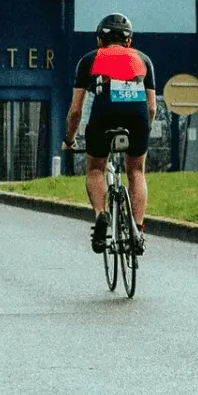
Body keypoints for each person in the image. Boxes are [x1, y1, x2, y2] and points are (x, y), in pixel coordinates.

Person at [64, 13, 158, 253]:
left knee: (96, 169)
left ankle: (101, 215)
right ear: (129, 41)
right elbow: (152, 107)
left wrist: (70, 139)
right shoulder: (144, 59)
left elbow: (76, 110)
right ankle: (137, 229)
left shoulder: (90, 59)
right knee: (136, 170)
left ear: (99, 40)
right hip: (137, 116)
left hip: (104, 113)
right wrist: (144, 130)